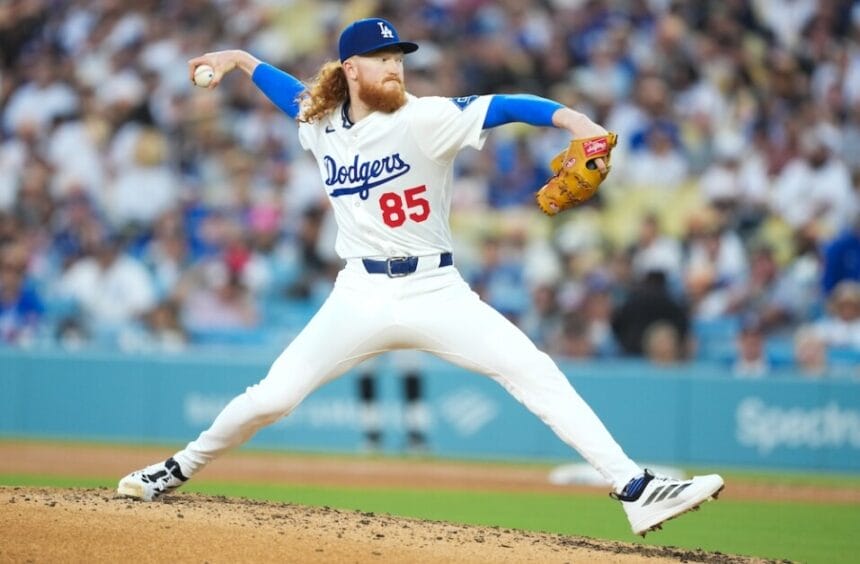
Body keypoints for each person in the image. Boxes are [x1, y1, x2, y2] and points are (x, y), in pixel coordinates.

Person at [117, 17, 723, 536]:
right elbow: (290, 93)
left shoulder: (427, 117)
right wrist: (240, 59)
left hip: (436, 290)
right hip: (360, 293)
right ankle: (177, 467)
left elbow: (506, 105)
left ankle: (635, 488)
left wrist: (576, 122)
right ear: (350, 69)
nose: (395, 67)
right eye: (382, 58)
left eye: (399, 58)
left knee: (531, 370)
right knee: (272, 398)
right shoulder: (319, 123)